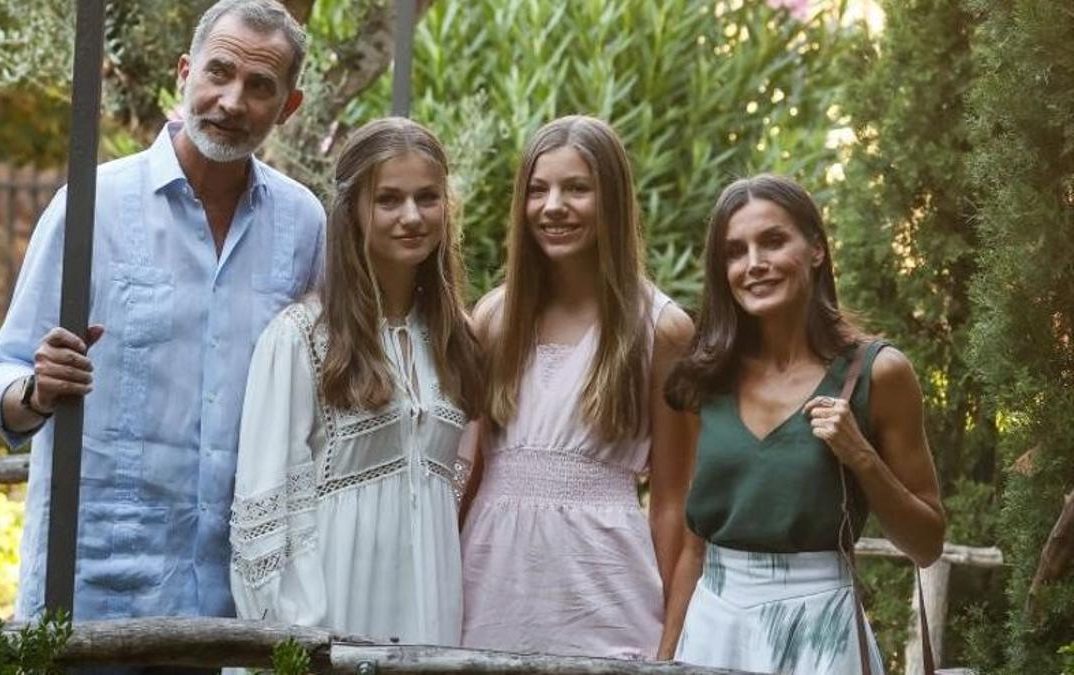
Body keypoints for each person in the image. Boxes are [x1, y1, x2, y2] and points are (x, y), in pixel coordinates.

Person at [0, 0, 324, 627]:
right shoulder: (94, 206)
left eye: (260, 86)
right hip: (96, 590)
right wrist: (36, 390)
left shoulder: (303, 225)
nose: (233, 101)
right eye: (219, 72)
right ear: (185, 73)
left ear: (288, 107)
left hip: (238, 601)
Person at [665, 174, 946, 673]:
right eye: (735, 251)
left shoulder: (878, 372)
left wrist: (862, 457)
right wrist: (666, 659)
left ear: (816, 249)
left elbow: (927, 544)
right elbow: (691, 545)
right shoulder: (704, 378)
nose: (754, 264)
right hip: (714, 625)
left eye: (773, 241)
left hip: (823, 626)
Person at [229, 117, 482, 645]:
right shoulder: (299, 338)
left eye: (427, 198)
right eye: (388, 199)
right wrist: (299, 639)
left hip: (430, 611)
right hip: (335, 616)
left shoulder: (454, 337)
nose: (411, 216)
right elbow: (265, 511)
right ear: (353, 212)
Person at [458, 115, 696, 659]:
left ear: (611, 198)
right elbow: (467, 476)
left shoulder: (661, 329)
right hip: (489, 587)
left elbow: (673, 502)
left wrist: (671, 643)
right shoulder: (494, 319)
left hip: (605, 595)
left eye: (577, 188)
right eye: (538, 190)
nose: (553, 206)